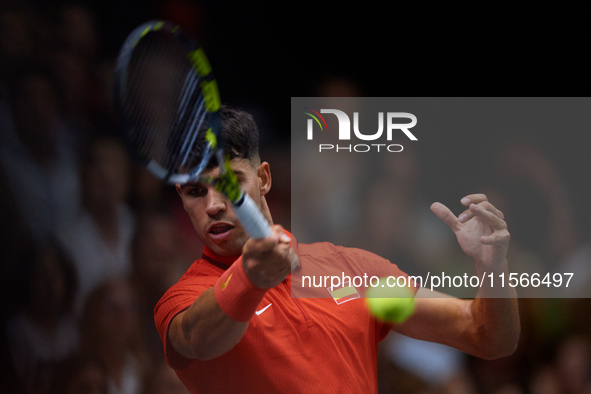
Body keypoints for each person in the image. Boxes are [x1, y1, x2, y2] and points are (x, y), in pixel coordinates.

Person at [154, 106, 520, 393]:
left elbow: (486, 336)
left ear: (264, 179)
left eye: (229, 184)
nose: (214, 205)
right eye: (195, 191)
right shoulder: (185, 297)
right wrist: (249, 278)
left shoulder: (354, 268)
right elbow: (195, 339)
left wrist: (492, 270)